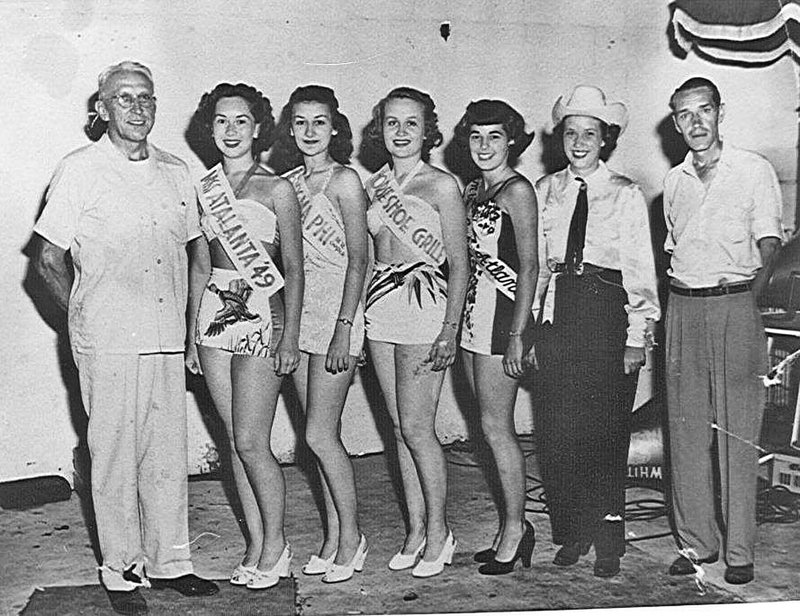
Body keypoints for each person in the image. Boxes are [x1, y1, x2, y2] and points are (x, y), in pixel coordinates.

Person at [33, 61, 218, 615]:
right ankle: (120, 564)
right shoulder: (80, 169)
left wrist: (190, 330)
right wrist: (82, 316)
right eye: (124, 98)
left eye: (145, 97)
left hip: (164, 335)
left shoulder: (175, 170)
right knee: (112, 454)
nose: (137, 108)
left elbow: (195, 251)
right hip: (108, 339)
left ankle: (171, 562)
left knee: (166, 453)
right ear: (102, 109)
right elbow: (46, 259)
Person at [534, 85, 660, 578]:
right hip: (560, 317)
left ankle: (610, 536)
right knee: (561, 430)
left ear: (605, 140)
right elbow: (540, 268)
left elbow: (639, 271)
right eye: (571, 133)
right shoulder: (546, 191)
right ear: (560, 138)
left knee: (606, 430)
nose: (580, 142)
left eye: (590, 134)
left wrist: (636, 336)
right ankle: (574, 530)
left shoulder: (625, 192)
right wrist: (536, 326)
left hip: (607, 313)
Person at [663, 77, 782, 585]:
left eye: (703, 110)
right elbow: (674, 252)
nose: (695, 122)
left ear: (719, 112)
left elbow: (770, 245)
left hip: (735, 304)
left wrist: (745, 304)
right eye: (684, 114)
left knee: (737, 432)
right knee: (686, 430)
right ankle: (697, 543)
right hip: (682, 307)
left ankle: (738, 550)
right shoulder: (673, 181)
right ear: (675, 122)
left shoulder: (752, 169)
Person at [185, 83, 304, 590]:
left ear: (258, 128)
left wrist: (290, 335)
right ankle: (256, 543)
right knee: (233, 440)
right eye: (221, 121)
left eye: (241, 121)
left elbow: (295, 269)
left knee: (254, 440)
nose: (231, 131)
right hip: (215, 308)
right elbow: (197, 264)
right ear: (210, 129)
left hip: (261, 309)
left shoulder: (277, 189)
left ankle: (277, 545)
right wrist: (192, 332)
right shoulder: (204, 186)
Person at [360, 87, 469, 577]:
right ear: (379, 130)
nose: (400, 132)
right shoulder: (374, 184)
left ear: (428, 131)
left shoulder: (443, 186)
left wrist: (450, 328)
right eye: (391, 123)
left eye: (411, 123)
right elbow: (366, 256)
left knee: (420, 428)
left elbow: (461, 267)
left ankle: (440, 532)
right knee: (399, 428)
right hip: (381, 302)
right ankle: (416, 528)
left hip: (426, 302)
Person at [271, 85, 369, 583]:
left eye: (320, 122)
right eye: (301, 122)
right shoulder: (286, 183)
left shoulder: (346, 181)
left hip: (337, 316)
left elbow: (360, 260)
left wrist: (344, 330)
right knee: (315, 439)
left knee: (318, 434)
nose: (310, 131)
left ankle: (352, 537)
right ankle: (332, 537)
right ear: (290, 128)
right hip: (300, 315)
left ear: (335, 128)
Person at [453, 100, 538, 575]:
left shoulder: (517, 191)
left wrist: (518, 335)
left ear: (512, 142)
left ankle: (515, 529)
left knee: (495, 427)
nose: (484, 146)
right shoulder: (471, 190)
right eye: (476, 137)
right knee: (485, 427)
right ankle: (510, 524)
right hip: (470, 317)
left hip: (500, 320)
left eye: (495, 137)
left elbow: (529, 267)